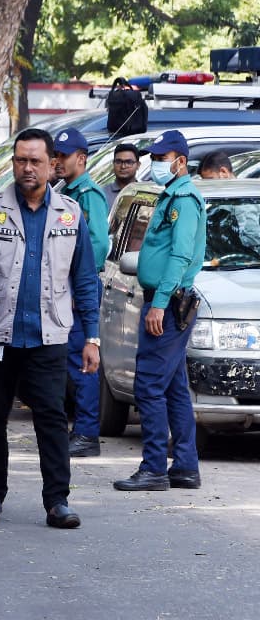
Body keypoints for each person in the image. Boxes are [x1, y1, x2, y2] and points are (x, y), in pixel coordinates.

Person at [0, 128, 100, 529]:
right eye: (20, 160)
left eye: (35, 161)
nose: (27, 168)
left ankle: (57, 501)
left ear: (52, 165)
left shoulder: (70, 213)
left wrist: (93, 337)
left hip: (48, 336)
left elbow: (84, 280)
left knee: (50, 417)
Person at [114, 130, 206, 492]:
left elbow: (181, 256)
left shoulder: (183, 199)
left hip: (167, 303)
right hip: (164, 300)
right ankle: (184, 465)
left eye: (161, 158)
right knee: (174, 388)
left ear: (180, 162)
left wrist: (160, 304)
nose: (155, 164)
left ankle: (154, 467)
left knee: (150, 385)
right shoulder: (170, 195)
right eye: (152, 157)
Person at [52, 128, 110, 458]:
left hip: (79, 288)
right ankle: (77, 427)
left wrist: (80, 285)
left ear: (82, 158)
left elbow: (98, 244)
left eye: (64, 155)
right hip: (65, 287)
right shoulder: (67, 192)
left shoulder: (88, 195)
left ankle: (87, 433)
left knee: (82, 358)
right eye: (56, 155)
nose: (58, 161)